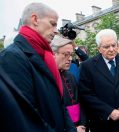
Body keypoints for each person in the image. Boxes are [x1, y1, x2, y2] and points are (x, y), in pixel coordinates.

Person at [0, 3, 75, 131]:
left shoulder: (45, 55)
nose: (56, 30)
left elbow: (59, 102)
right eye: (53, 24)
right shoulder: (11, 57)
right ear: (35, 20)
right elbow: (25, 117)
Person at [78, 29, 119, 132]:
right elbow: (86, 94)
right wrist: (109, 111)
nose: (111, 49)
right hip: (102, 124)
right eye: (106, 47)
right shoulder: (87, 66)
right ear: (99, 48)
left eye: (114, 45)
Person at [51, 35, 87, 132]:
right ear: (53, 54)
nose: (70, 58)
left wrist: (82, 124)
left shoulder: (70, 75)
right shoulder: (48, 77)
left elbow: (81, 101)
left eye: (71, 55)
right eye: (66, 54)